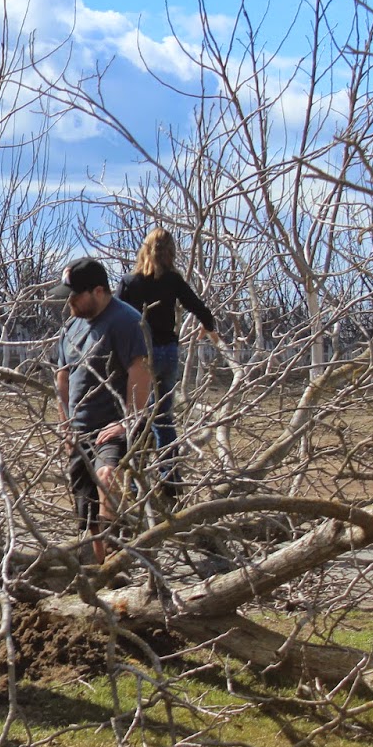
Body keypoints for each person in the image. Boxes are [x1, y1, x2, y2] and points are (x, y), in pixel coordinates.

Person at [52, 256, 152, 563]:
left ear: (98, 291)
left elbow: (140, 370)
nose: (69, 301)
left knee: (107, 477)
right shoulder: (71, 327)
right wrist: (66, 426)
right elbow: (63, 377)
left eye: (75, 295)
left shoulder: (126, 321)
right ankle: (100, 569)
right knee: (87, 509)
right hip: (81, 428)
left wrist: (127, 421)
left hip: (114, 424)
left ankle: (114, 556)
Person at [116, 229, 219, 500]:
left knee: (135, 417)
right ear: (170, 252)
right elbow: (199, 307)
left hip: (141, 357)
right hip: (168, 354)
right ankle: (170, 478)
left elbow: (114, 316)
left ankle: (134, 482)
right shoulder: (173, 280)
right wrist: (208, 326)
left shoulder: (129, 282)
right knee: (163, 418)